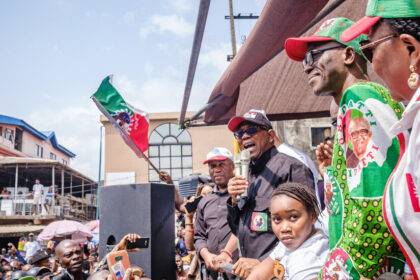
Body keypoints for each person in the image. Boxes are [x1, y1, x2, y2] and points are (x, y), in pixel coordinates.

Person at [285, 17, 406, 279]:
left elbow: (373, 212)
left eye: (314, 56)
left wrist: (333, 275)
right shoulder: (364, 100)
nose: (307, 68)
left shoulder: (358, 99)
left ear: (349, 54)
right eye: (305, 61)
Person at [340, 0, 420, 278]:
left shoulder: (358, 98)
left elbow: (370, 206)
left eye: (370, 48)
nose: (371, 63)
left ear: (411, 48)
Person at [217, 109, 314, 278]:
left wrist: (265, 264)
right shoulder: (247, 175)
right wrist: (233, 202)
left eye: (252, 130)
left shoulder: (291, 168)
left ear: (270, 136)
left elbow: (308, 230)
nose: (244, 136)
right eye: (239, 133)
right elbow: (240, 231)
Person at [247, 182, 329, 280]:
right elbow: (258, 275)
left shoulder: (308, 259)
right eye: (277, 219)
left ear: (312, 216)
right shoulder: (295, 240)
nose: (284, 228)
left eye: (293, 217)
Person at [193, 147, 237, 280]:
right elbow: (199, 236)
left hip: (239, 271)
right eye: (212, 166)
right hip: (213, 273)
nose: (216, 169)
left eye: (221, 165)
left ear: (232, 166)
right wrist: (206, 255)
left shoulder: (243, 196)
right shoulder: (204, 202)